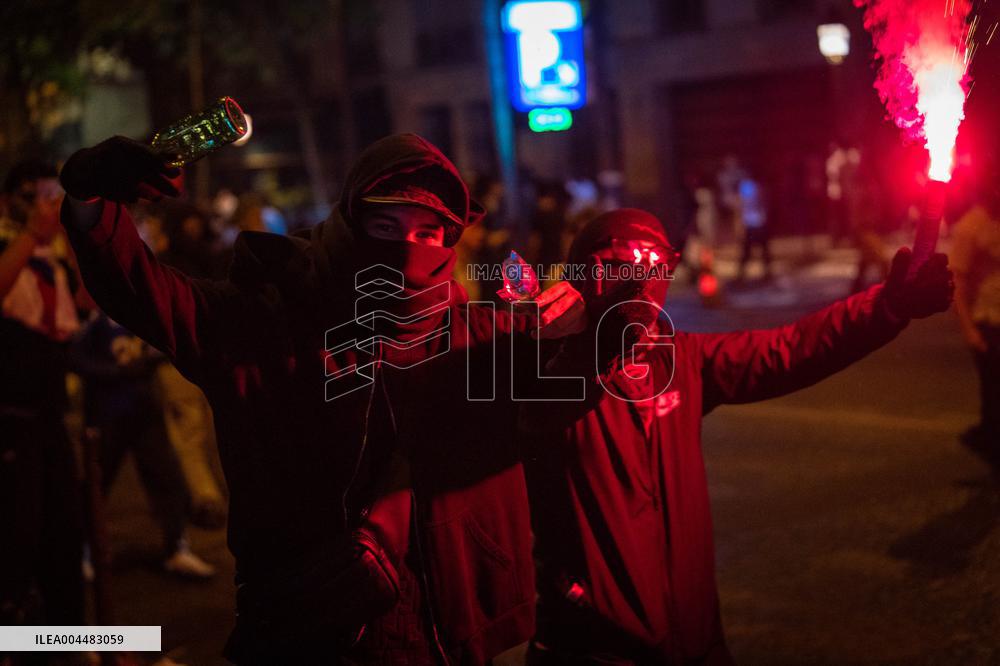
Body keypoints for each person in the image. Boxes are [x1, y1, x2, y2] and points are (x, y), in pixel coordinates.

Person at [58, 133, 584, 664]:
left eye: (428, 232)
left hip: (442, 632)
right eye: (385, 227)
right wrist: (91, 202)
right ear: (351, 224)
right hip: (302, 628)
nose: (406, 249)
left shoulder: (483, 338)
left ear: (450, 242)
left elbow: (592, 387)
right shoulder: (264, 324)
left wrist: (578, 329)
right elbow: (144, 291)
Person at [519, 209, 953, 664]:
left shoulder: (680, 362)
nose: (638, 286)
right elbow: (523, 400)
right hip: (592, 649)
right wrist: (555, 344)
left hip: (695, 641)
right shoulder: (544, 370)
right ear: (584, 280)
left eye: (651, 270)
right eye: (616, 270)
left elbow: (789, 349)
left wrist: (886, 307)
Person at [0, 161, 86, 629]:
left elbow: (89, 302)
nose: (46, 206)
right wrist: (31, 235)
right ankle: (16, 641)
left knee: (64, 534)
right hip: (11, 416)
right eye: (36, 195)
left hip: (52, 415)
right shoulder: (11, 244)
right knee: (17, 536)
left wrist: (74, 237)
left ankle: (68, 639)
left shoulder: (52, 256)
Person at [71, 310, 217, 578]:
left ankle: (176, 547)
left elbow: (165, 343)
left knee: (168, 478)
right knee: (96, 485)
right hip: (107, 414)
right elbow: (75, 357)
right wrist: (115, 371)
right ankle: (82, 552)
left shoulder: (139, 312)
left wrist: (153, 355)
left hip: (144, 410)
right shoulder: (95, 319)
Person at [951, 181, 1000, 459]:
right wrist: (968, 328)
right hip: (989, 320)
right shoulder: (971, 226)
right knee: (994, 393)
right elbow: (958, 280)